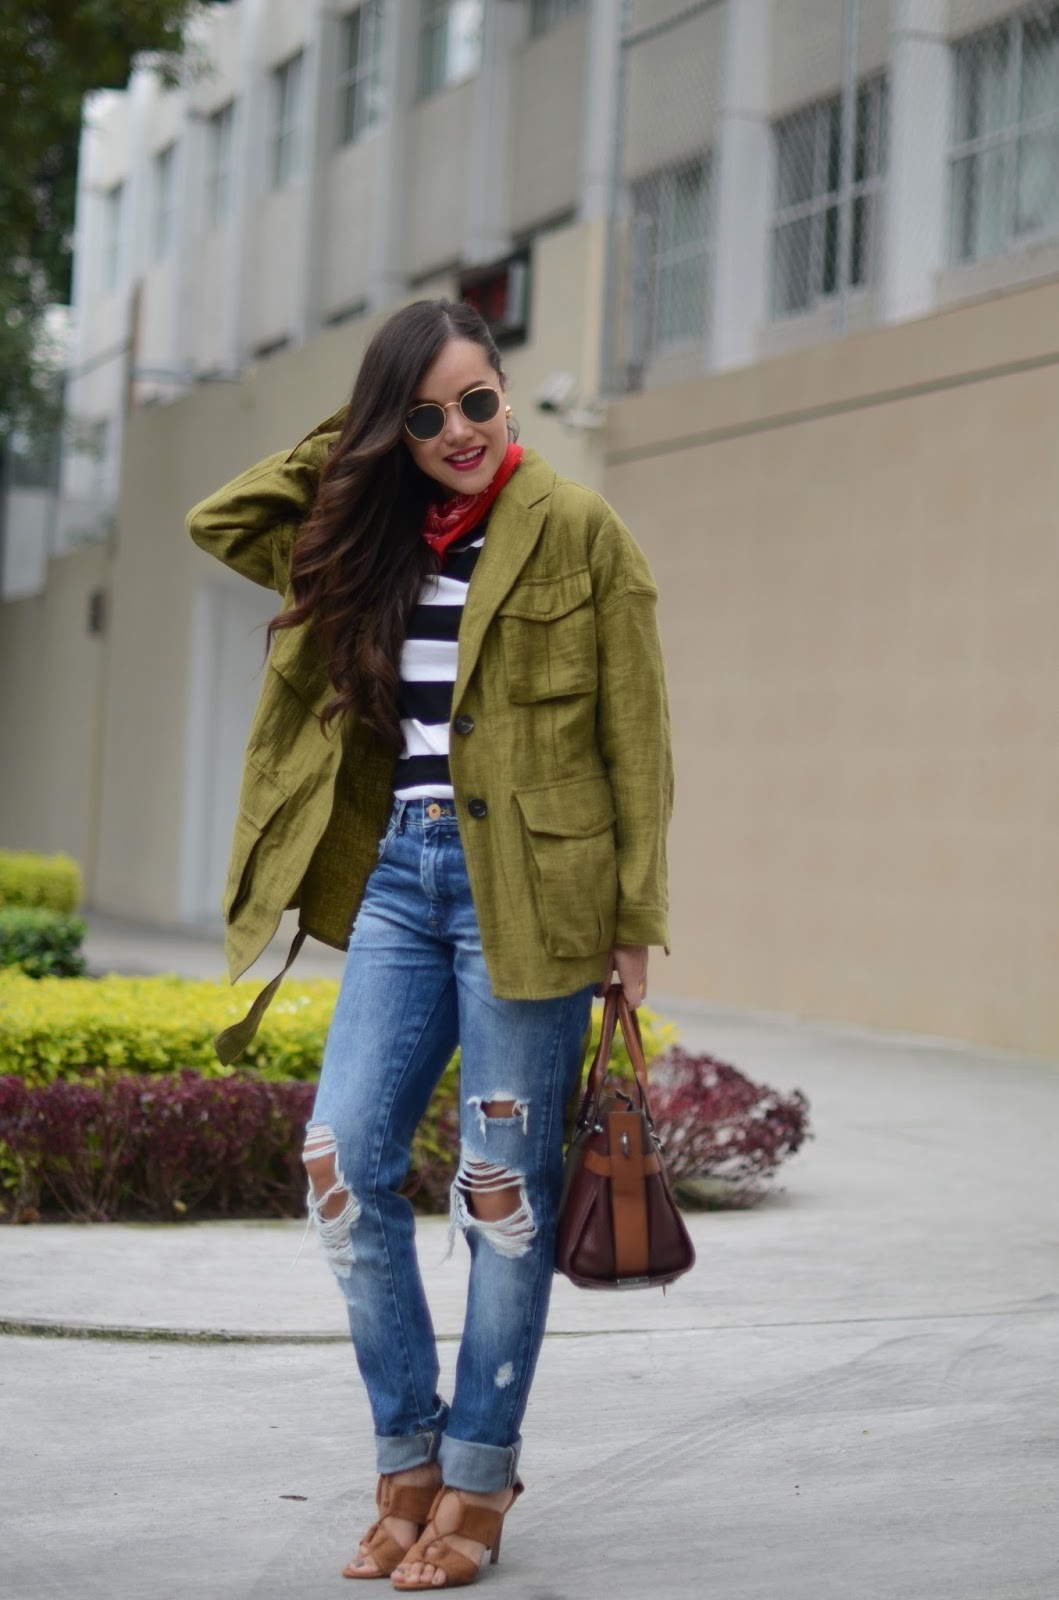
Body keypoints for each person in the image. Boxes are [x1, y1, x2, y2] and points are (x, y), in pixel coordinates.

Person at [186, 299, 672, 1590]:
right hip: (403, 880)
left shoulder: (580, 530)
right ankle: (407, 1458)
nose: (459, 430)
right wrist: (356, 439)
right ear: (388, 430)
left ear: (509, 394)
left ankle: (478, 1479)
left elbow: (639, 744)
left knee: (499, 1197)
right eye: (424, 414)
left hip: (538, 893)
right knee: (341, 1166)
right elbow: (222, 520)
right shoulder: (367, 538)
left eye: (477, 401)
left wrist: (633, 926)